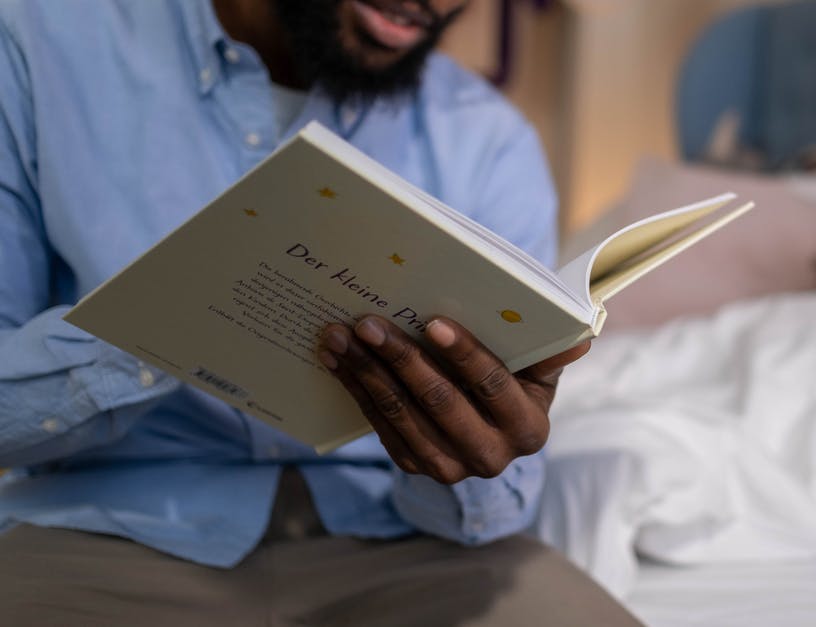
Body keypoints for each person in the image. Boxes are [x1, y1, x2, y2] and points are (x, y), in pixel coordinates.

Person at [0, 1, 641, 625]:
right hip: (102, 533)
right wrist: (161, 327)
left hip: (412, 547)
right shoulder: (38, 45)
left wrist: (472, 458)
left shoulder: (488, 139)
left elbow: (499, 506)